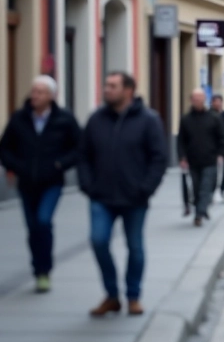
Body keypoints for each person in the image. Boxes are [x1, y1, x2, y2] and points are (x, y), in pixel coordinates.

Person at [79, 72, 167, 317]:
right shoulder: (96, 119)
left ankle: (133, 296)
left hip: (134, 198)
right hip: (101, 197)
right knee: (98, 241)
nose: (106, 89)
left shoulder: (148, 120)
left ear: (128, 90)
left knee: (135, 247)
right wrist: (88, 185)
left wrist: (145, 188)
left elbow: (159, 158)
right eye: (106, 85)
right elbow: (84, 154)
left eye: (112, 86)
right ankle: (111, 295)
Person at [0, 75, 81, 294]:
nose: (34, 96)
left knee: (43, 221)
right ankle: (37, 268)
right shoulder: (19, 118)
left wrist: (60, 164)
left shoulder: (64, 119)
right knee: (32, 227)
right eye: (33, 91)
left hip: (52, 182)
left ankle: (44, 271)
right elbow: (4, 148)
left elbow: (79, 147)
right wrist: (15, 165)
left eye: (40, 92)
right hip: (26, 183)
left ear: (52, 96)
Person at [178, 89, 224, 227]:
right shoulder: (186, 119)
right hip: (193, 160)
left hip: (210, 159)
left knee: (207, 187)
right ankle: (202, 208)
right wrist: (182, 157)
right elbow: (181, 140)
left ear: (204, 100)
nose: (198, 101)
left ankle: (199, 214)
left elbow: (222, 137)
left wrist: (220, 153)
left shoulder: (214, 118)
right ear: (191, 101)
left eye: (200, 99)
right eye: (195, 99)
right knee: (196, 187)